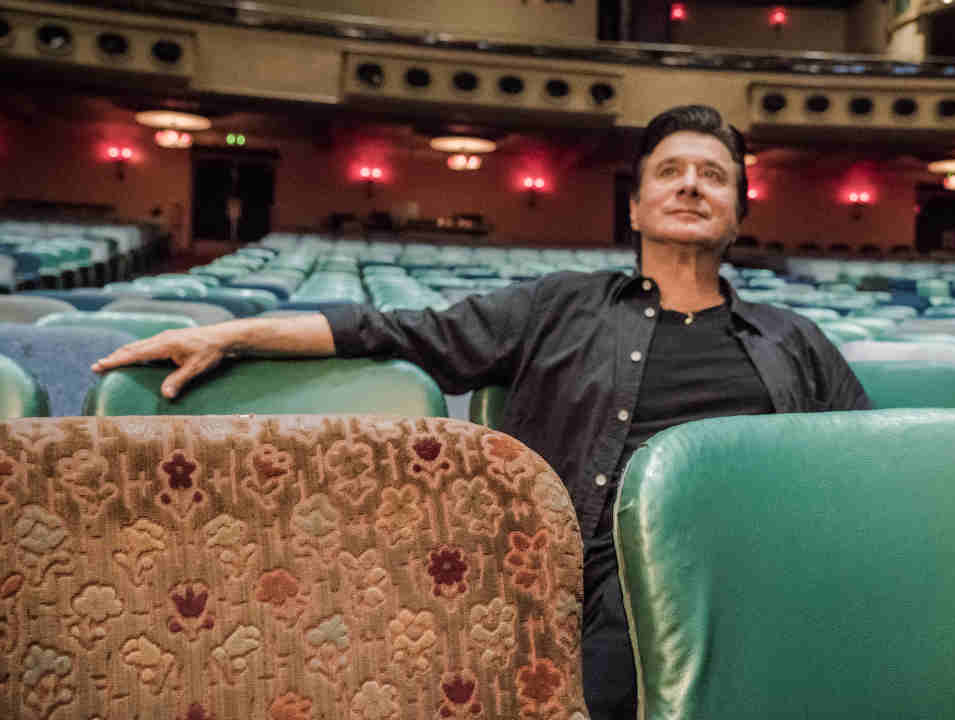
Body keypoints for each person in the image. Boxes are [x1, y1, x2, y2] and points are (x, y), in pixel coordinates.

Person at [93, 104, 870, 719]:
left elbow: (859, 470)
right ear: (634, 209)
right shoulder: (560, 306)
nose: (693, 186)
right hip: (603, 569)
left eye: (714, 176)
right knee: (646, 597)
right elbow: (398, 332)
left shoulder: (792, 338)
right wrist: (236, 333)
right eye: (671, 172)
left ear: (737, 213)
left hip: (752, 566)